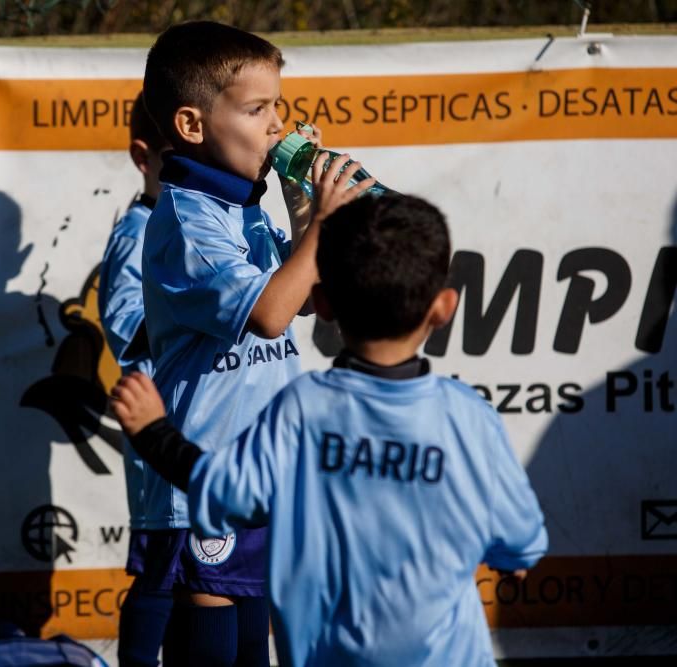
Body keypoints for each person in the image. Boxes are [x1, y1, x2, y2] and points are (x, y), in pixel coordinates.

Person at [112, 193, 550, 666]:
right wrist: (512, 564)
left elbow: (223, 491)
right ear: (443, 308)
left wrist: (153, 431)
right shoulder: (469, 416)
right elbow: (520, 539)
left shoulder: (302, 410)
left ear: (319, 302)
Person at [135, 20, 373, 665]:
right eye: (257, 109)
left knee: (251, 646)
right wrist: (323, 225)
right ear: (191, 126)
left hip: (262, 473)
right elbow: (268, 315)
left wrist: (302, 214)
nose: (277, 126)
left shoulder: (244, 208)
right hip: (202, 476)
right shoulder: (186, 220)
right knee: (208, 638)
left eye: (279, 107)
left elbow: (299, 306)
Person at [96, 92, 175, 667]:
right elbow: (125, 324)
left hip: (201, 435)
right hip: (159, 438)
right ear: (141, 157)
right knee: (159, 574)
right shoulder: (137, 233)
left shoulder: (206, 225)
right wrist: (208, 311)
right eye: (177, 162)